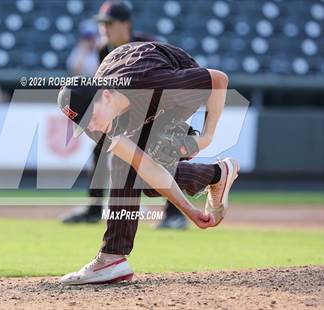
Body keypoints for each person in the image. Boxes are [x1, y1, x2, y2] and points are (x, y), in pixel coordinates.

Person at [57, 41, 239, 284]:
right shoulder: (99, 122)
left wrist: (206, 137)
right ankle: (216, 174)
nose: (91, 126)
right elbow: (145, 167)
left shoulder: (151, 82)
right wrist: (190, 210)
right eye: (83, 123)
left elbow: (218, 80)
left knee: (138, 164)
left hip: (173, 86)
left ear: (107, 96)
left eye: (91, 117)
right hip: (139, 98)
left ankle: (110, 258)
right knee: (136, 174)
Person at [62, 0, 189, 229]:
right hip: (127, 112)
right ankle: (93, 209)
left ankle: (174, 214)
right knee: (100, 147)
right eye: (102, 23)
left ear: (125, 24)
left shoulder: (145, 45)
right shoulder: (104, 49)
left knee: (165, 152)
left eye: (109, 23)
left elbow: (169, 79)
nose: (104, 28)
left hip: (161, 107)